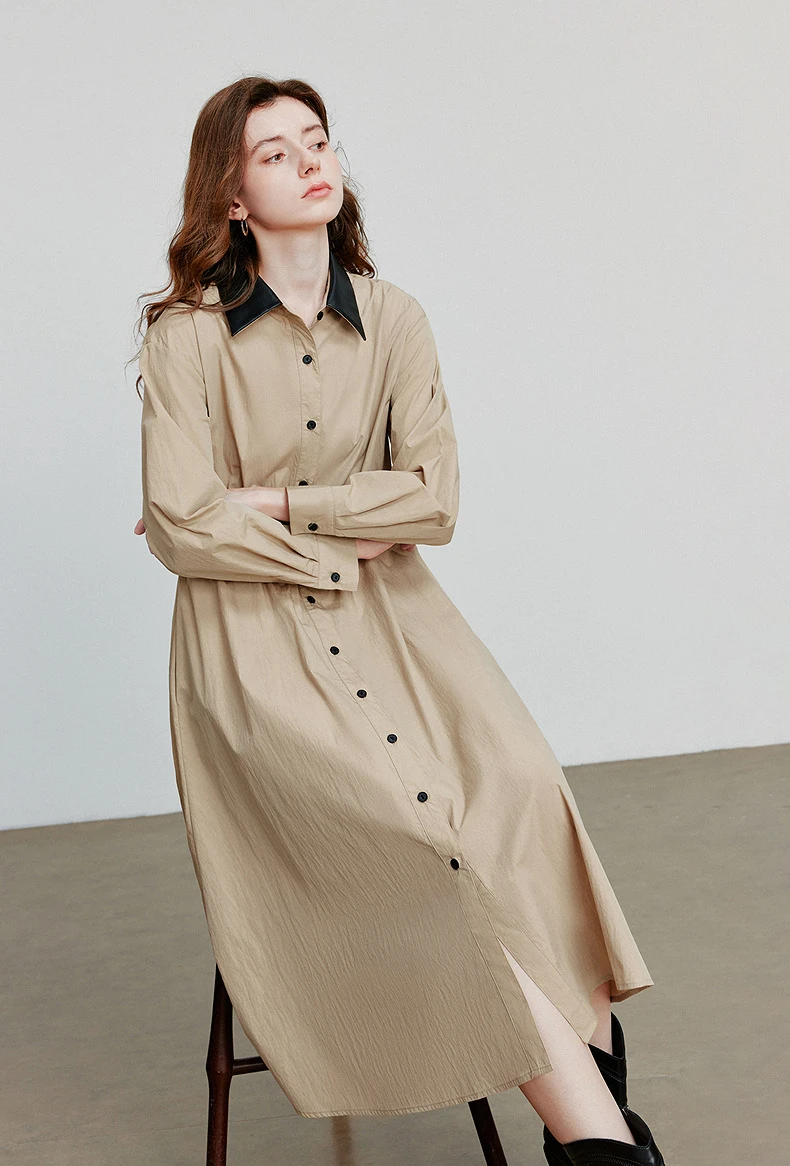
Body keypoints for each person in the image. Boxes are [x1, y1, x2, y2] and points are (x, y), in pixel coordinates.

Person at [132, 76, 666, 1165]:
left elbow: (433, 503)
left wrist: (269, 504)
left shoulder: (397, 319)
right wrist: (345, 525)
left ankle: (599, 1132)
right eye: (275, 153)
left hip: (406, 632)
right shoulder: (185, 338)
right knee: (427, 847)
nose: (309, 163)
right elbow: (182, 526)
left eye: (317, 141)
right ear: (231, 194)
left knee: (523, 792)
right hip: (252, 661)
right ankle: (609, 1146)